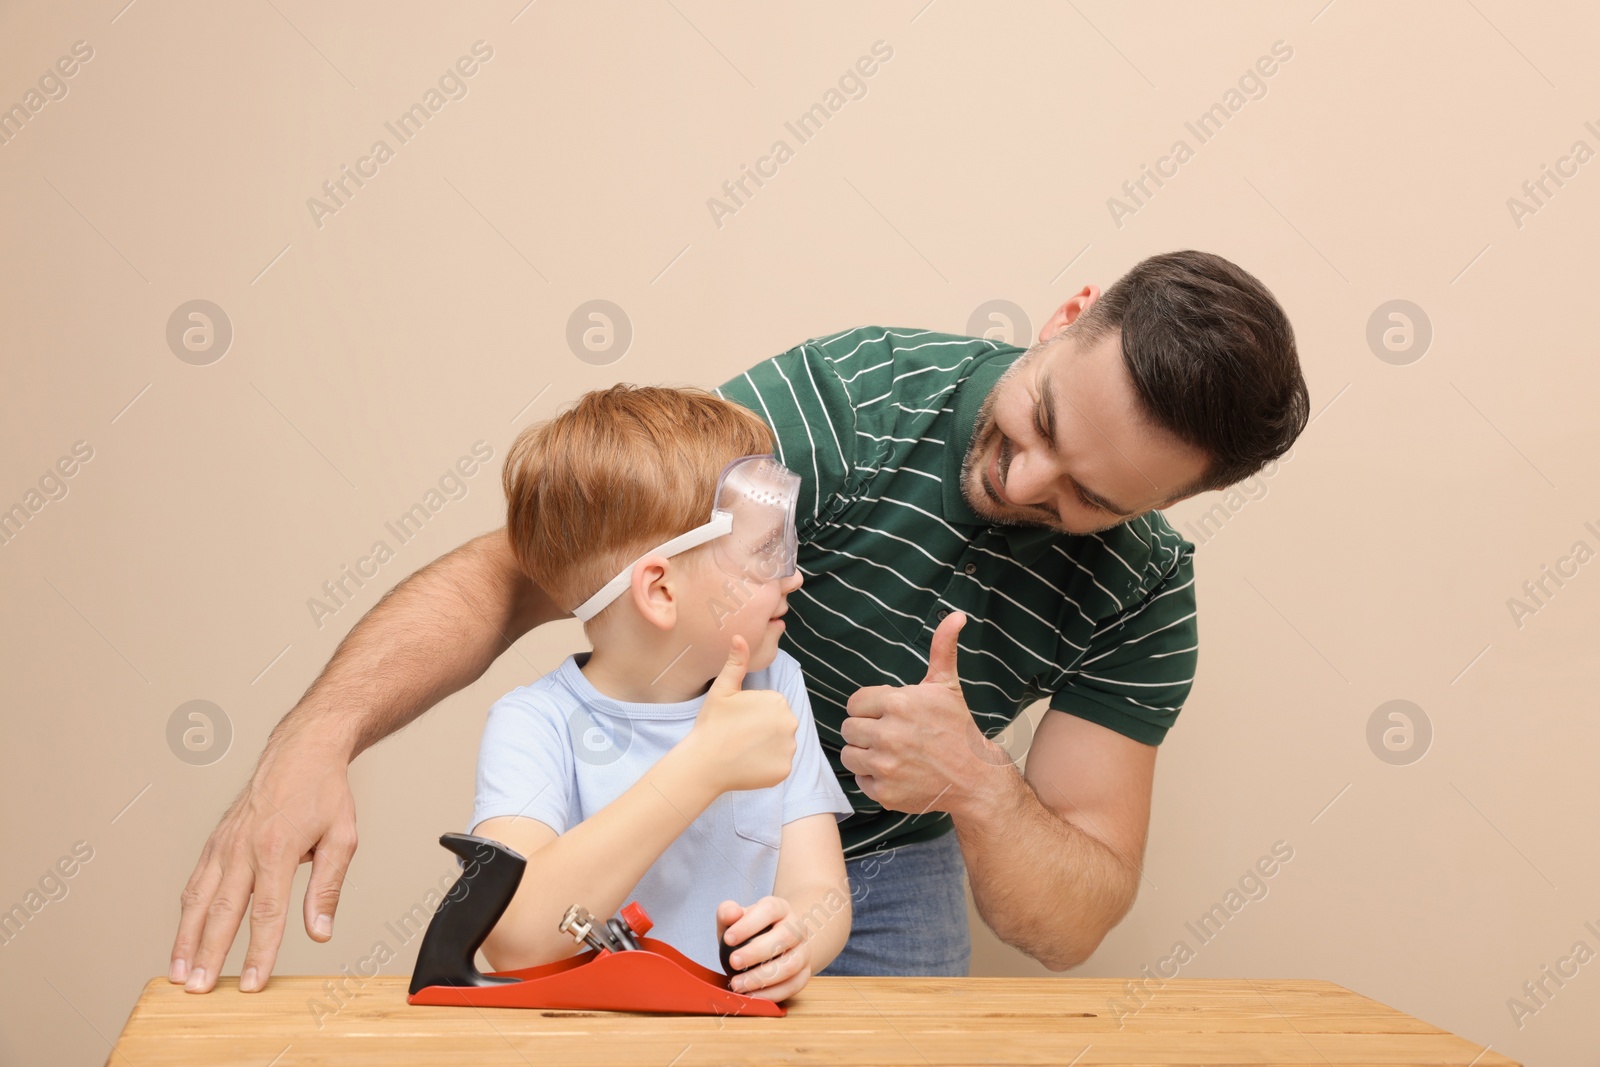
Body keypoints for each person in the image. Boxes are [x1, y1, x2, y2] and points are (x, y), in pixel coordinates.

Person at [171, 249, 1309, 993]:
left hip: (883, 866)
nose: (1022, 485)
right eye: (1040, 420)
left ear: (1165, 503)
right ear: (1064, 317)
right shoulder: (850, 409)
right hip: (652, 841)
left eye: (1090, 498)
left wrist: (973, 780)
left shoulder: (1145, 594)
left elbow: (1073, 921)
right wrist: (317, 736)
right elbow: (550, 556)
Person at [470, 385, 852, 999]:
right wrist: (700, 766)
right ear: (661, 592)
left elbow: (820, 888)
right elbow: (513, 937)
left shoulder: (774, 689)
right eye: (766, 553)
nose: (794, 575)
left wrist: (797, 935)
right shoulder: (532, 723)